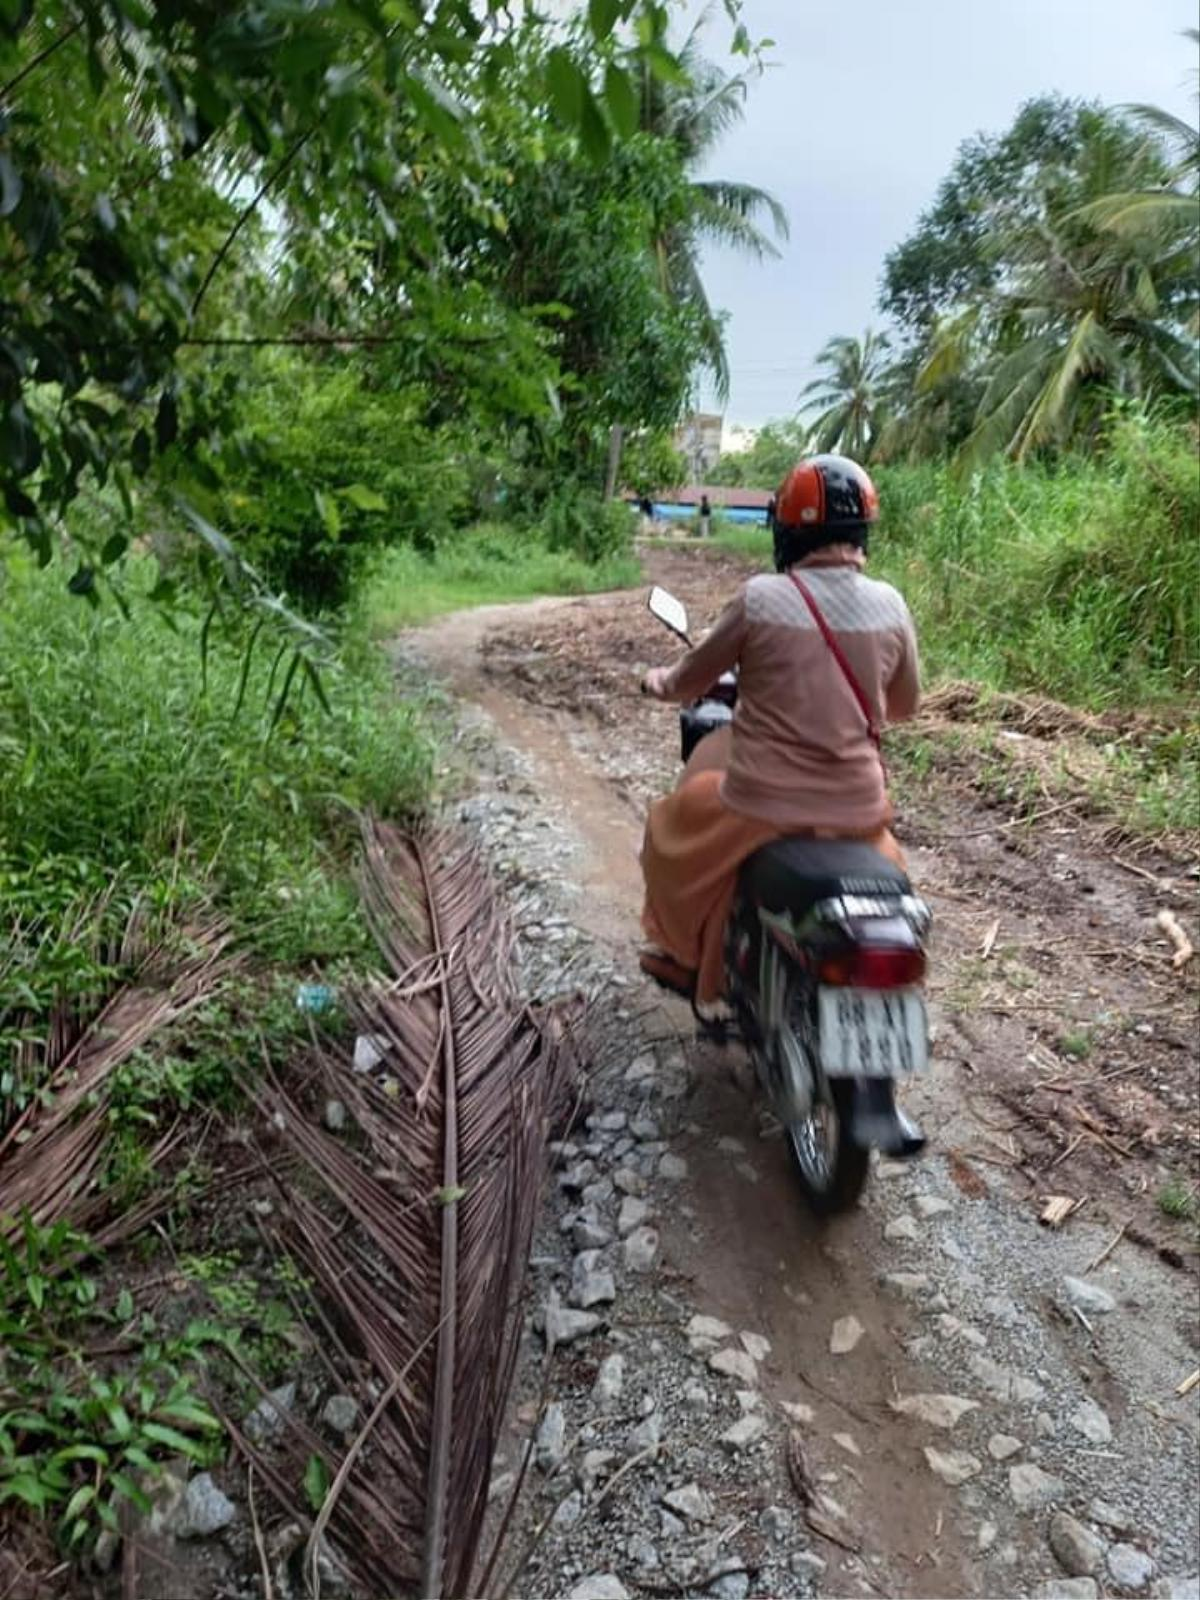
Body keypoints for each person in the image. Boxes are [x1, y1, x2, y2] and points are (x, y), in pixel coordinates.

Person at [639, 453, 920, 1004]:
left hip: (761, 805)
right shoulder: (891, 605)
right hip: (859, 813)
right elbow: (905, 705)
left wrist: (658, 681)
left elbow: (690, 677)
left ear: (787, 531)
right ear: (862, 531)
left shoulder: (761, 598)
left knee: (667, 834)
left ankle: (684, 957)